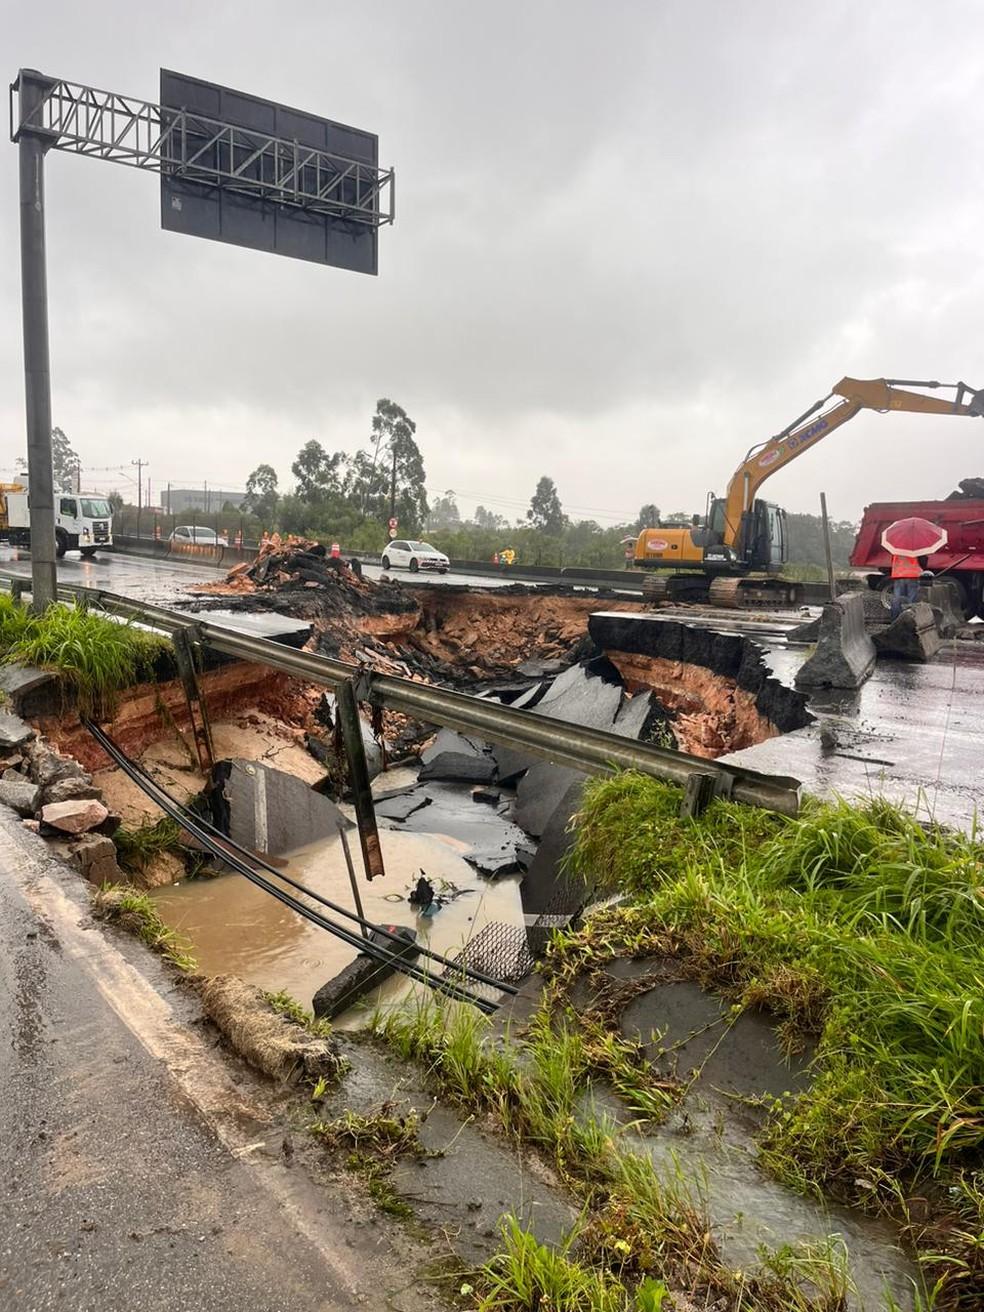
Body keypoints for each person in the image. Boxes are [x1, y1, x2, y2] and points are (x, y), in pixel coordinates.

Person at [890, 552, 921, 620]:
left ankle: (895, 620)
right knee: (912, 600)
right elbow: (922, 560)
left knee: (897, 599)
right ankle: (911, 620)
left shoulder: (895, 547)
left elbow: (892, 560)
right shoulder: (915, 547)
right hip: (912, 575)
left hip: (898, 574)